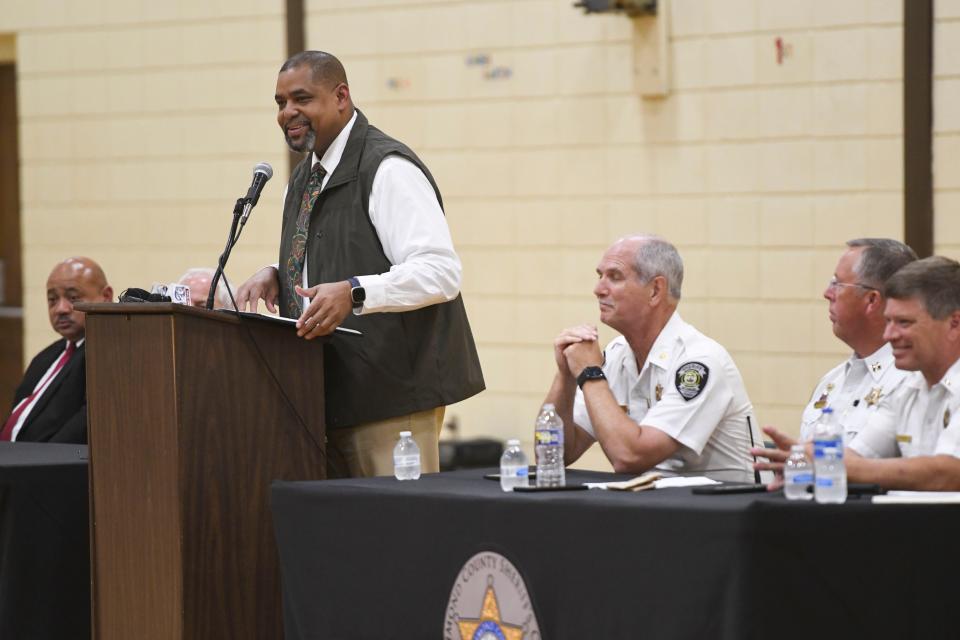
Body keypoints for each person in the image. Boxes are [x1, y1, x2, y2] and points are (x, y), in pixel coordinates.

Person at [235, 51, 484, 478]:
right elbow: (335, 247)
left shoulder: (387, 167)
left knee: (398, 535)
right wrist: (278, 271)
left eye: (301, 99)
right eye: (280, 103)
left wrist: (354, 292)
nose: (288, 113)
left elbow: (440, 272)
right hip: (324, 396)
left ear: (341, 97)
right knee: (347, 541)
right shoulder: (305, 176)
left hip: (391, 399)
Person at [545, 235, 761, 482]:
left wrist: (590, 374)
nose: (598, 289)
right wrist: (565, 377)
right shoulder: (616, 355)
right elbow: (552, 455)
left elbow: (630, 457)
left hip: (727, 511)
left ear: (655, 291)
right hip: (659, 508)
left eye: (614, 277)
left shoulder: (700, 361)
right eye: (599, 276)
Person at [759, 257, 960, 491]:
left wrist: (829, 463)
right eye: (888, 322)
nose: (889, 335)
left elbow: (949, 473)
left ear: (954, 323)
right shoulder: (908, 389)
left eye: (904, 323)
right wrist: (805, 461)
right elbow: (858, 455)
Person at [797, 239, 917, 443]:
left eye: (837, 284)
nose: (827, 294)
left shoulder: (910, 381)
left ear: (871, 300)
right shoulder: (830, 382)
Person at [1, 257, 113, 443]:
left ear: (106, 297)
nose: (60, 309)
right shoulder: (47, 356)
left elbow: (86, 426)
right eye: (52, 300)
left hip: (44, 467)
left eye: (73, 298)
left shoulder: (109, 353)